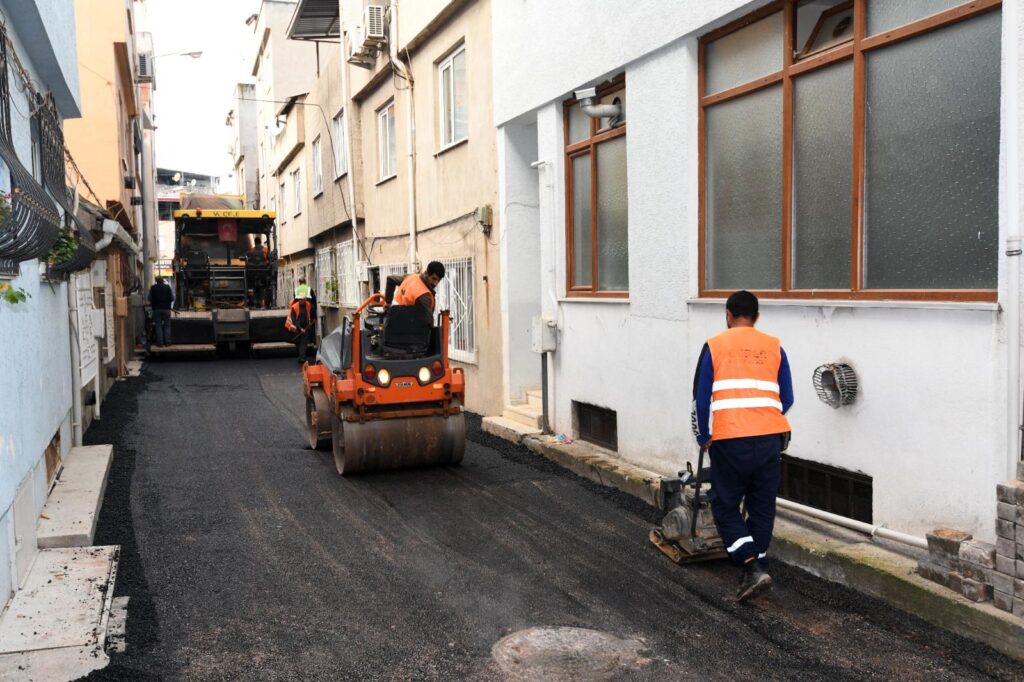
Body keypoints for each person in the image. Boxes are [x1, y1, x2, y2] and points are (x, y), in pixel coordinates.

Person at [693, 290, 793, 602]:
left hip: (730, 439)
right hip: (770, 439)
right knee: (762, 506)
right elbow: (787, 397)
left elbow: (700, 399)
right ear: (757, 317)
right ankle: (759, 565)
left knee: (724, 503)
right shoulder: (774, 346)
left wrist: (703, 436)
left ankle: (750, 564)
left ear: (728, 315)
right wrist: (763, 417)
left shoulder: (715, 345)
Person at [285, 295, 314, 363]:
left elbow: (311, 313)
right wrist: (300, 328)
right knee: (298, 342)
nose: (300, 300)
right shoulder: (294, 307)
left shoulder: (308, 304)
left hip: (305, 327)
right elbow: (294, 320)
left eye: (302, 299)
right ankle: (300, 356)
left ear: (305, 299)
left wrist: (313, 319)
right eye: (299, 299)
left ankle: (302, 358)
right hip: (296, 327)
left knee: (303, 342)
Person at [148, 276, 174, 347]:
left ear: (156, 281)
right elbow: (172, 298)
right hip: (166, 309)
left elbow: (149, 298)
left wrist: (154, 302)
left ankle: (160, 343)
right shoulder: (167, 287)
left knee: (158, 326)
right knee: (167, 326)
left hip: (156, 309)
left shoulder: (153, 288)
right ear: (163, 281)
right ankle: (168, 342)